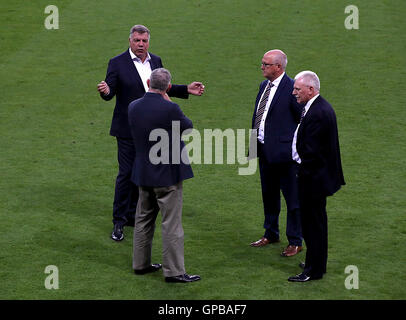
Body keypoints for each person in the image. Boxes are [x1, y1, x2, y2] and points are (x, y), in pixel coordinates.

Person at [97, 25, 204, 241]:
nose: (140, 44)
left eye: (144, 41)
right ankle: (118, 221)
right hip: (128, 130)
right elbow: (110, 90)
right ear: (130, 41)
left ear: (148, 42)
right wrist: (107, 91)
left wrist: (186, 89)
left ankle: (132, 215)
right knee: (126, 174)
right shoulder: (117, 63)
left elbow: (161, 86)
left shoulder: (155, 60)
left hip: (153, 130)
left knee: (142, 173)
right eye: (137, 40)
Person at [128, 68, 200, 283]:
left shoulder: (133, 106)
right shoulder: (170, 108)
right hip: (167, 175)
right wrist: (168, 101)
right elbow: (188, 129)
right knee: (171, 224)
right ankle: (174, 271)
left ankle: (140, 264)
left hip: (143, 173)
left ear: (149, 81)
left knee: (142, 220)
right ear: (168, 87)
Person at [288, 71, 345, 282]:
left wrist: (300, 169)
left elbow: (311, 151)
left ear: (311, 89)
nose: (293, 93)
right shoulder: (317, 107)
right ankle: (316, 260)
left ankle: (313, 270)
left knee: (313, 224)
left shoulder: (318, 112)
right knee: (315, 223)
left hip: (313, 179)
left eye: (297, 89)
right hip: (316, 177)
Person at [249, 50, 304, 257]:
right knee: (269, 194)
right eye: (262, 63)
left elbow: (302, 120)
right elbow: (259, 116)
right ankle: (271, 233)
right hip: (265, 151)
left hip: (286, 157)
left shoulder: (292, 88)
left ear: (278, 67)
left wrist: (295, 149)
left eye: (266, 64)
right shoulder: (265, 85)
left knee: (293, 199)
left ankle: (295, 241)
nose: (262, 67)